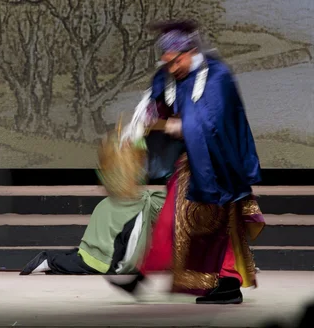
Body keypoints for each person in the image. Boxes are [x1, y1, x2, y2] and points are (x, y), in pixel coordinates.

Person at [106, 20, 265, 305]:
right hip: (193, 164)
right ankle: (144, 278)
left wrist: (180, 127)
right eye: (166, 62)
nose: (171, 67)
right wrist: (141, 123)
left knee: (216, 226)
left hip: (221, 165)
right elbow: (158, 105)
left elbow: (213, 120)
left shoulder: (217, 76)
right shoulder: (172, 78)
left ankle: (227, 283)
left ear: (190, 52)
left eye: (176, 60)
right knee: (172, 221)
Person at [19, 188, 165, 276]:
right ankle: (50, 261)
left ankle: (54, 259)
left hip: (120, 210)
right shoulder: (179, 203)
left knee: (94, 256)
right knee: (101, 264)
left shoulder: (176, 198)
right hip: (123, 214)